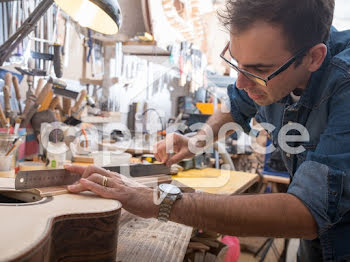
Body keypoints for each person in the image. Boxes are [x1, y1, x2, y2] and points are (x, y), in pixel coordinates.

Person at [65, 0, 350, 260]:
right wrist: (196, 141)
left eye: (257, 70)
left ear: (314, 57)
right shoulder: (272, 68)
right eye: (235, 62)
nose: (240, 82)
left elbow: (307, 213)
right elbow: (237, 105)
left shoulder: (345, 84)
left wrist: (159, 202)